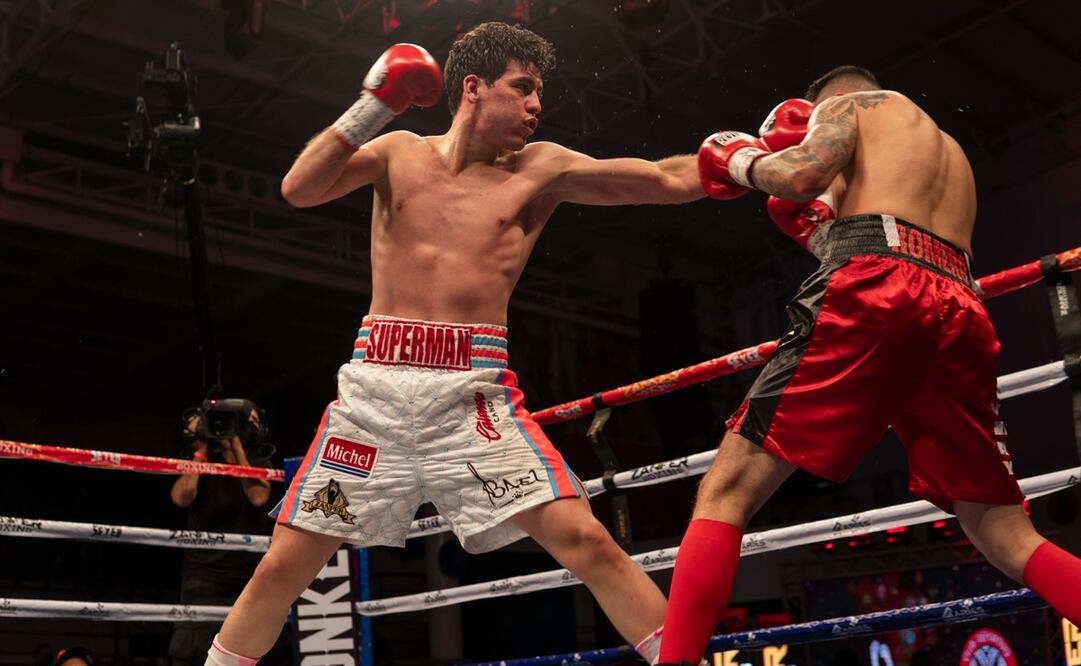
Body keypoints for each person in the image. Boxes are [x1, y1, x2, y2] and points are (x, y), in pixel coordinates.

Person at [205, 22, 705, 666]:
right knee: (281, 571)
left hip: (474, 401)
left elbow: (663, 179)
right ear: (473, 87)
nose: (535, 106)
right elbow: (299, 188)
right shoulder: (397, 152)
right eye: (522, 88)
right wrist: (375, 105)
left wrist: (749, 162)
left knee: (590, 544)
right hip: (373, 398)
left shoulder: (542, 168)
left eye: (539, 94)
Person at [657, 65, 1081, 664]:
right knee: (1003, 532)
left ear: (820, 105)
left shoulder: (851, 107)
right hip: (959, 305)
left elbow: (802, 175)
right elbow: (896, 232)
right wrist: (816, 223)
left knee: (725, 489)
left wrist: (738, 160)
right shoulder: (948, 150)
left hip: (879, 286)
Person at [170, 402, 288, 665]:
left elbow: (258, 497)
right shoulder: (199, 460)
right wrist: (200, 450)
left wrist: (234, 447)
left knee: (249, 649)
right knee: (192, 650)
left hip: (247, 572)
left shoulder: (258, 460)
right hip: (202, 573)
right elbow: (181, 496)